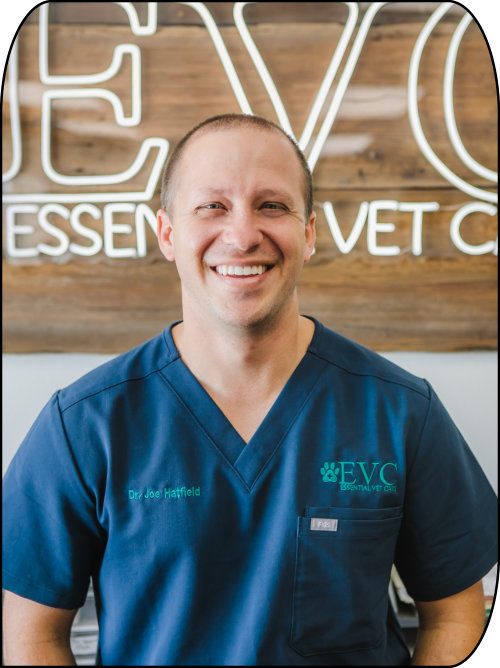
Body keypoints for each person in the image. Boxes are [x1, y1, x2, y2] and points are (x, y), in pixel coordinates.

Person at [2, 113, 497, 666]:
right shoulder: (83, 425)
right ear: (167, 234)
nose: (242, 236)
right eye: (212, 206)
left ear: (308, 233)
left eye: (272, 206)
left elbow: (456, 614)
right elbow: (30, 635)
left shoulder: (402, 413)